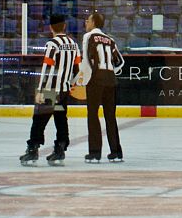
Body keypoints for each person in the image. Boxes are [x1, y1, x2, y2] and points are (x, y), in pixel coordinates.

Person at [19, 14, 81, 166]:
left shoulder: (52, 44)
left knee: (39, 120)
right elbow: (79, 67)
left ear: (50, 27)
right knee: (60, 118)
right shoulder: (73, 43)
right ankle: (60, 149)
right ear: (64, 26)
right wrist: (70, 83)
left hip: (50, 89)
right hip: (64, 89)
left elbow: (47, 68)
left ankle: (33, 149)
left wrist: (40, 90)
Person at [74, 11, 125, 163]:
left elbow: (86, 60)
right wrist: (110, 72)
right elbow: (120, 62)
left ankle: (95, 153)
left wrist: (84, 80)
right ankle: (116, 152)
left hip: (95, 80)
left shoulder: (88, 37)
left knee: (93, 115)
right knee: (110, 117)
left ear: (94, 23)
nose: (86, 23)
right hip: (111, 81)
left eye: (88, 20)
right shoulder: (110, 39)